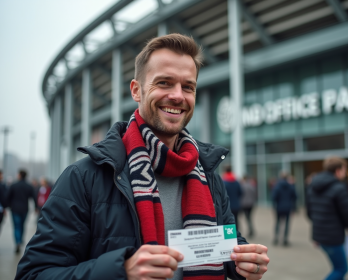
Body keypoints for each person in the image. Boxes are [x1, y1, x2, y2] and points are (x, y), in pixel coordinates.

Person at [16, 34, 269, 280]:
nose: (178, 95)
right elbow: (34, 273)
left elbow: (226, 248)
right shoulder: (84, 178)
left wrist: (242, 264)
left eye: (188, 86)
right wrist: (121, 271)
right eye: (164, 83)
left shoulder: (208, 175)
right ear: (136, 91)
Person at [306, 156, 348, 280]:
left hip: (320, 235)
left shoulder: (312, 186)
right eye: (344, 169)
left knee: (338, 267)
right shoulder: (339, 188)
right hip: (333, 236)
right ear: (338, 170)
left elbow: (309, 213)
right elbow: (347, 214)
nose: (345, 173)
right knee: (342, 269)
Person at [6, 169, 36, 253]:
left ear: (19, 175)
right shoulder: (29, 186)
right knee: (22, 225)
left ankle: (17, 242)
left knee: (16, 226)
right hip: (25, 209)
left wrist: (7, 205)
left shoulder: (13, 185)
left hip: (15, 209)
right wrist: (36, 207)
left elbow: (8, 196)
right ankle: (20, 240)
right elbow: (34, 197)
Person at [272, 171, 297, 246]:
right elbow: (295, 196)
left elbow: (274, 197)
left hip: (279, 207)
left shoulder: (277, 186)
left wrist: (274, 205)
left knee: (278, 222)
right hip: (288, 207)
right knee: (287, 223)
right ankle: (285, 239)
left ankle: (276, 238)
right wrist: (293, 207)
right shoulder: (291, 186)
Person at [222, 165, 243, 229]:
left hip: (227, 206)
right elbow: (241, 193)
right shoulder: (236, 181)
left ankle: (231, 236)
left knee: (228, 221)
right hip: (236, 205)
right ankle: (237, 233)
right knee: (236, 219)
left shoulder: (223, 182)